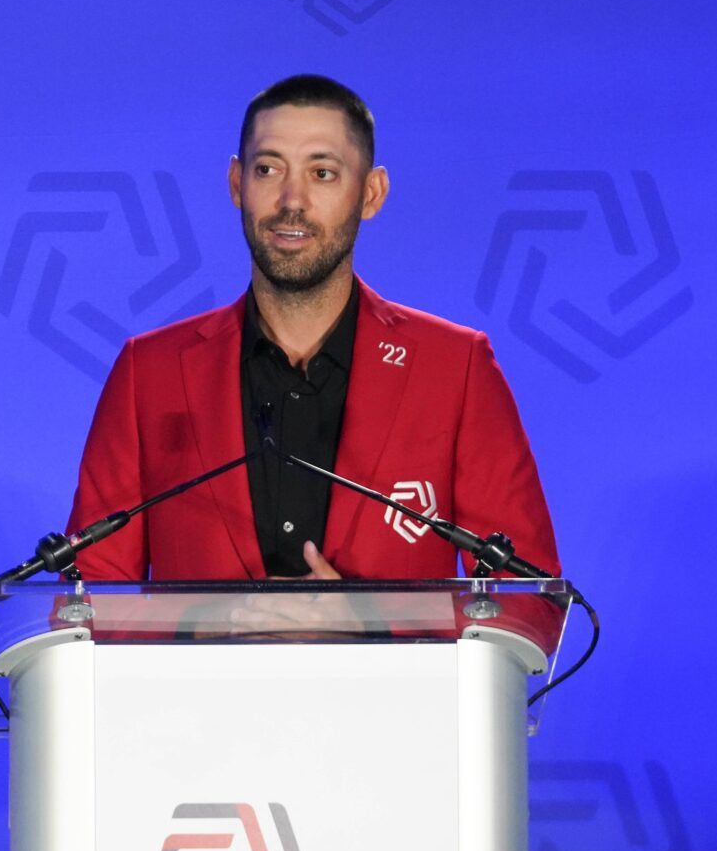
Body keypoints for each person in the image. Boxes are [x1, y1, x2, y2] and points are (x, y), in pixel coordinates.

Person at [65, 74, 560, 582]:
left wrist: (370, 627)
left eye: (322, 173)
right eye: (267, 169)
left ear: (371, 193)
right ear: (237, 184)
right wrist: (217, 628)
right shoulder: (149, 373)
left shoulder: (454, 368)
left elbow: (529, 598)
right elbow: (89, 598)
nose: (291, 200)